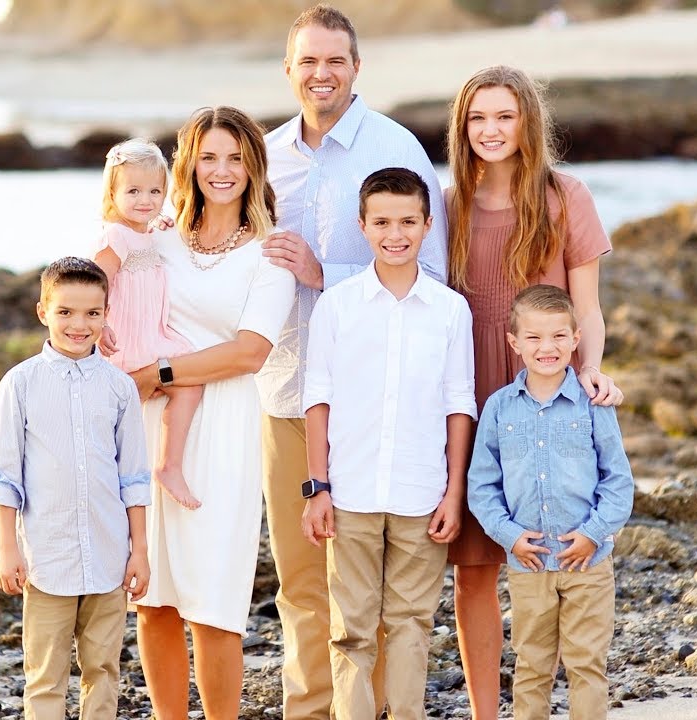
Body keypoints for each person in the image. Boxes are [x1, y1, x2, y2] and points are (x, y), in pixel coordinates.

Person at [259, 6, 448, 716]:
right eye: (307, 61)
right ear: (288, 70)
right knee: (301, 583)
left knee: (370, 590)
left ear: (357, 68)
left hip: (374, 404)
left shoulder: (394, 148)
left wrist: (326, 271)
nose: (321, 73)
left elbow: (432, 275)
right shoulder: (265, 155)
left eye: (335, 60)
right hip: (284, 391)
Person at [444, 64, 624, 719]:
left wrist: (591, 371)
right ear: (462, 128)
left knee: (556, 557)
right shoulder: (448, 204)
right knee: (476, 564)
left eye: (504, 116)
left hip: (544, 391)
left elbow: (588, 308)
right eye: (477, 118)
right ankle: (491, 712)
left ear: (528, 122)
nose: (491, 130)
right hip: (471, 395)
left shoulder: (565, 195)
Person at [126, 105, 296, 720]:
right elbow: (113, 294)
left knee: (215, 597)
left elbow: (251, 352)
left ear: (253, 166)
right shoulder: (159, 238)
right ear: (188, 163)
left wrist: (160, 374)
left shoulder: (269, 251)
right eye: (208, 157)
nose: (221, 170)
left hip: (225, 429)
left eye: (235, 158)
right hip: (151, 425)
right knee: (155, 594)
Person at [300, 168, 476, 720]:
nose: (394, 233)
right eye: (381, 222)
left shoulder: (450, 310)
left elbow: (459, 402)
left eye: (406, 221)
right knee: (350, 630)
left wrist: (453, 493)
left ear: (427, 225)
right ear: (363, 225)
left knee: (411, 625)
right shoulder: (338, 305)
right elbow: (317, 398)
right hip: (349, 491)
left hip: (421, 493)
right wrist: (317, 488)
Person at [0, 257, 151, 720]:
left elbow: (134, 478)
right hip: (47, 558)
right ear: (44, 312)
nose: (79, 324)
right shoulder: (19, 383)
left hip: (108, 555)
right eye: (66, 312)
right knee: (45, 674)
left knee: (104, 667)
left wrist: (139, 551)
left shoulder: (119, 388)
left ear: (105, 313)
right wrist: (7, 550)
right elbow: (7, 475)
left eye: (92, 314)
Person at [467, 284, 634, 720]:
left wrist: (593, 533)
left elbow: (618, 482)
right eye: (535, 338)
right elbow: (481, 487)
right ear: (514, 343)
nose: (547, 347)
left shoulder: (594, 406)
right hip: (530, 565)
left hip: (589, 564)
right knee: (532, 666)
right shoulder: (499, 409)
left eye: (559, 336)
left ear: (576, 340)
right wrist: (511, 537)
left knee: (586, 665)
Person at [93, 138, 204, 510]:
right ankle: (104, 474)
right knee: (120, 418)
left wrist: (160, 224)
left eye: (155, 191)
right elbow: (99, 282)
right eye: (134, 191)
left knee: (187, 382)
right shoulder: (116, 235)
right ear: (113, 192)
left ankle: (168, 465)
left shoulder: (149, 232)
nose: (146, 200)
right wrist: (100, 324)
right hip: (127, 338)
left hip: (154, 335)